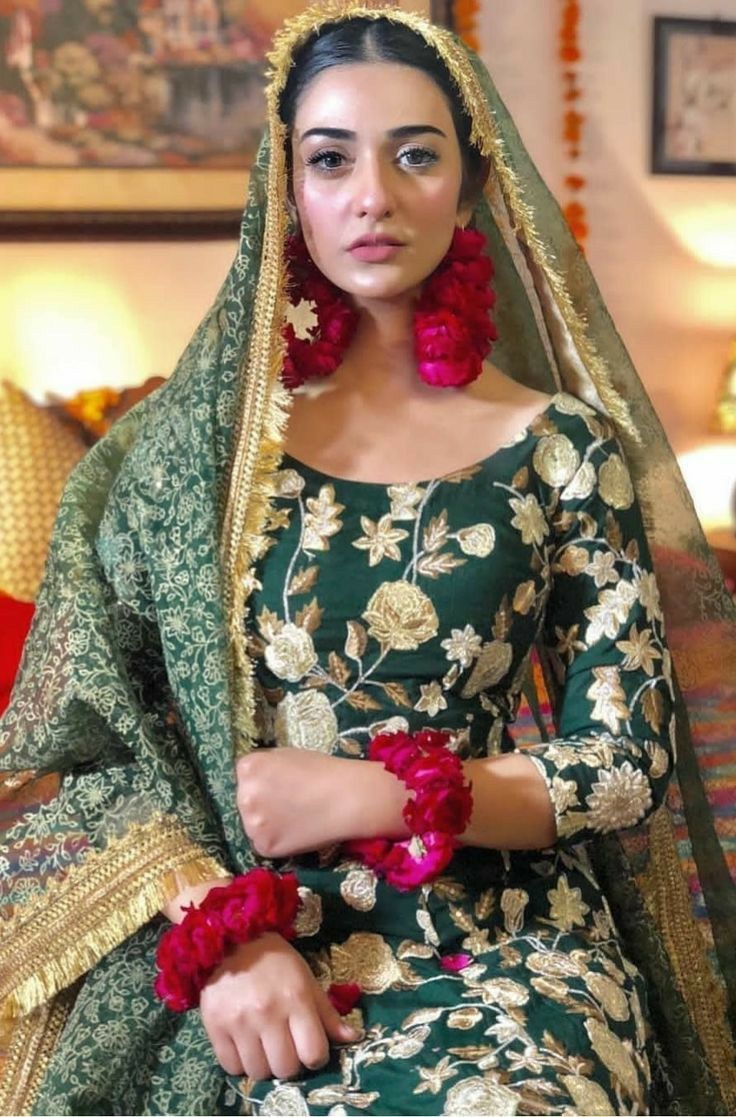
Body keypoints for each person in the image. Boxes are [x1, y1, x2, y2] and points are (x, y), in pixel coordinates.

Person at [0, 4, 734, 1114]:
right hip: (260, 929)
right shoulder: (186, 461)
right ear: (284, 187)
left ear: (472, 182)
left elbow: (624, 761)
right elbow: (93, 742)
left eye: (415, 155)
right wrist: (220, 938)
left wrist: (378, 793)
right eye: (329, 158)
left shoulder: (562, 449)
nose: (372, 197)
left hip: (506, 932)